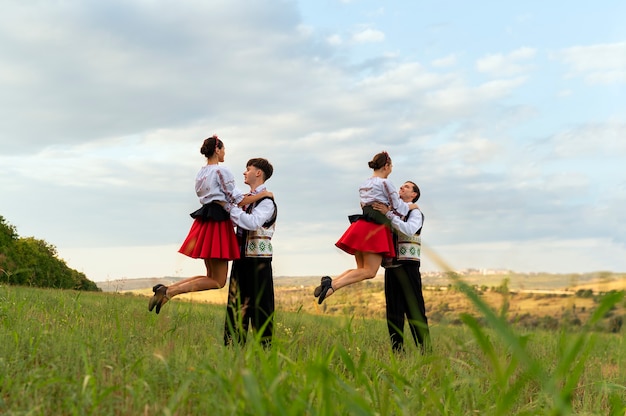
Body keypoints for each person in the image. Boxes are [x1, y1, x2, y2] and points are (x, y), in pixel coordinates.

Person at [148, 135, 269, 314]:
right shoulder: (222, 171)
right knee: (218, 281)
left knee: (211, 276)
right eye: (224, 149)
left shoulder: (201, 172)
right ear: (217, 150)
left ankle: (166, 290)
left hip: (205, 220)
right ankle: (169, 292)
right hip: (218, 223)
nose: (225, 153)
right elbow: (238, 200)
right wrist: (265, 195)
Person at [314, 151, 417, 304]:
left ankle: (330, 282)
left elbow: (363, 204)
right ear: (386, 166)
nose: (391, 169)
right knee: (369, 271)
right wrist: (410, 206)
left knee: (361, 268)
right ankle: (332, 286)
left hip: (361, 225)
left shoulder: (364, 184)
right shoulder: (385, 183)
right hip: (374, 228)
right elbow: (397, 207)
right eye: (391, 166)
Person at [223, 158, 277, 348]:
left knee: (261, 308)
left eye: (248, 169)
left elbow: (252, 222)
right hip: (241, 259)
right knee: (236, 306)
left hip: (259, 262)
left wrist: (229, 209)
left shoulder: (267, 201)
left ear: (258, 173)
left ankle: (265, 351)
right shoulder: (246, 199)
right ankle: (233, 348)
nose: (244, 173)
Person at [373, 181, 431, 354]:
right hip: (391, 267)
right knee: (393, 313)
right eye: (401, 186)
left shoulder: (416, 212)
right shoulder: (392, 210)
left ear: (414, 195)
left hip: (408, 266)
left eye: (407, 187)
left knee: (415, 311)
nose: (401, 188)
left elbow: (408, 230)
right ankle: (397, 353)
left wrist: (389, 214)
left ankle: (426, 352)